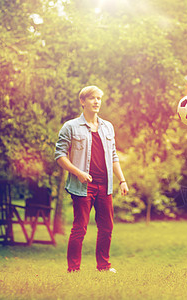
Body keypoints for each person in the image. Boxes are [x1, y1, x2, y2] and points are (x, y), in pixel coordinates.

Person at [55, 85, 129, 273]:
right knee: (80, 228)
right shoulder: (70, 127)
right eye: (92, 98)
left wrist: (122, 180)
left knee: (107, 227)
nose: (96, 102)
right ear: (82, 101)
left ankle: (103, 266)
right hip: (82, 186)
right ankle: (74, 269)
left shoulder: (107, 127)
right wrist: (78, 172)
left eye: (99, 98)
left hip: (105, 186)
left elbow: (113, 156)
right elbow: (60, 156)